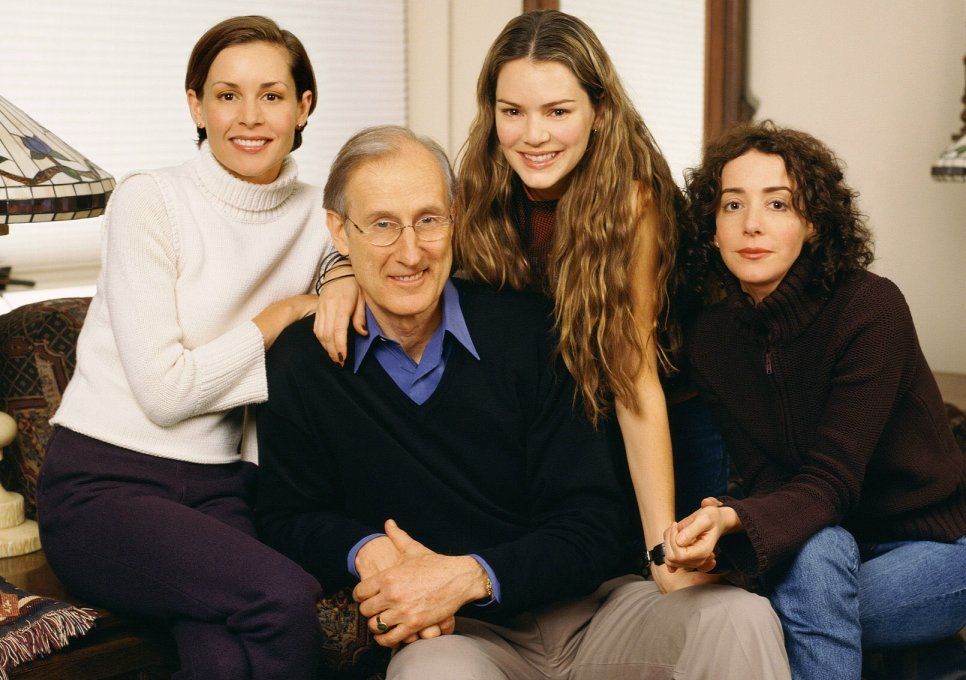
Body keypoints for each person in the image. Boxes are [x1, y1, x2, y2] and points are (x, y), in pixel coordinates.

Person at [257, 124, 790, 680]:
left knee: (740, 617)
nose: (410, 252)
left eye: (429, 220)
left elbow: (597, 522)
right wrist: (366, 549)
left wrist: (471, 576)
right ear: (340, 232)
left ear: (456, 218)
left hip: (592, 613)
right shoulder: (302, 364)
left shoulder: (533, 332)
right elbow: (286, 516)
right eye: (383, 225)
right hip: (460, 638)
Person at [312, 9, 727, 593]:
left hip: (661, 416)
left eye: (558, 112)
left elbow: (632, 377)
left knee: (678, 585)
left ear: (599, 110)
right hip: (562, 414)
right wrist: (341, 273)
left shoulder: (632, 203)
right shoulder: (482, 184)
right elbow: (406, 242)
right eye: (513, 112)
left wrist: (660, 549)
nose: (533, 135)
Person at [37, 16, 327, 680]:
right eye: (227, 95)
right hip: (104, 488)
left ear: (304, 106)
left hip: (221, 491)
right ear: (196, 105)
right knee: (285, 600)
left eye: (272, 95)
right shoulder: (150, 200)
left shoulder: (322, 213)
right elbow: (166, 393)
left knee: (224, 659)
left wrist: (338, 278)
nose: (249, 116)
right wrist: (279, 316)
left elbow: (368, 252)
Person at [665, 121, 966, 680]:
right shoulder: (712, 338)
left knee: (772, 610)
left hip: (935, 546)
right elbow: (768, 483)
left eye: (778, 203)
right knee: (811, 565)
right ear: (711, 227)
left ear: (813, 223)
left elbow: (832, 481)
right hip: (819, 545)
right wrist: (722, 530)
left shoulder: (870, 308)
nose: (752, 224)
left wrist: (734, 522)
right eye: (733, 204)